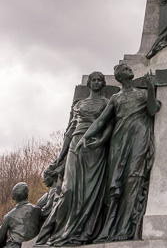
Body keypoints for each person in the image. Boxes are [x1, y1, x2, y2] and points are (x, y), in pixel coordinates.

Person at [76, 64, 160, 243]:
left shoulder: (142, 94)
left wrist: (151, 88)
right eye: (125, 69)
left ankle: (125, 226)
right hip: (119, 140)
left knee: (133, 178)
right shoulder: (115, 98)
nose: (129, 69)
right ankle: (110, 226)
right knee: (115, 182)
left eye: (128, 68)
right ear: (119, 76)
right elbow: (100, 121)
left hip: (139, 135)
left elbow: (152, 110)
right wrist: (85, 136)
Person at [37, 72, 111, 246]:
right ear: (89, 83)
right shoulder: (79, 104)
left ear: (103, 84)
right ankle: (63, 230)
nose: (96, 82)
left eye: (99, 80)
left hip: (95, 147)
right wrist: (60, 158)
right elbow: (70, 132)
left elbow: (108, 126)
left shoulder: (106, 104)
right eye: (93, 80)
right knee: (69, 190)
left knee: (89, 190)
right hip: (76, 145)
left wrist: (100, 141)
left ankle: (82, 231)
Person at [0, 183, 41, 248]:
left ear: (13, 197)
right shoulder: (37, 210)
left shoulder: (8, 216)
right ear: (27, 194)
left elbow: (1, 238)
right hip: (34, 244)